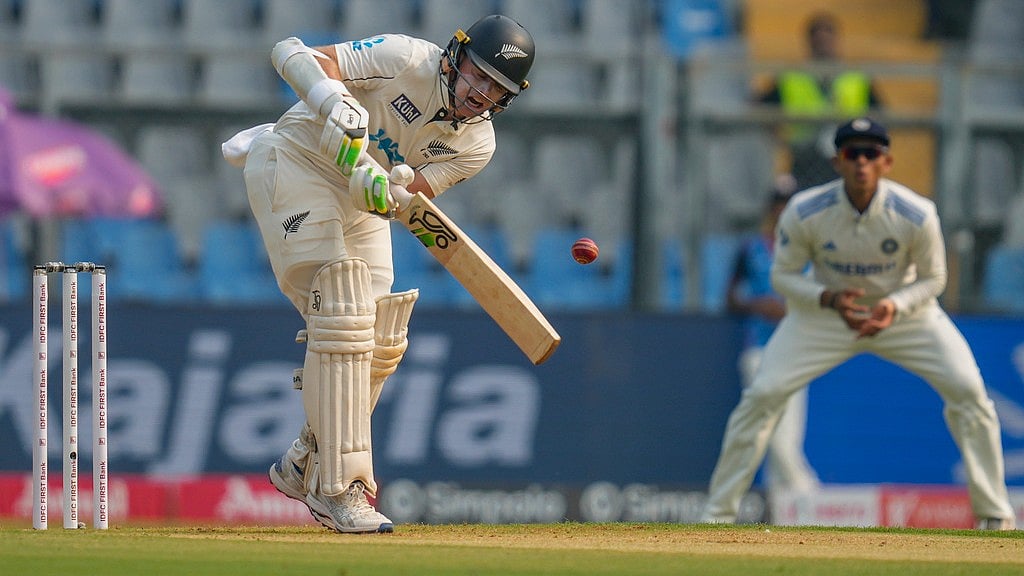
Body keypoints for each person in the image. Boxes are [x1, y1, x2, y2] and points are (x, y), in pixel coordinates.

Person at [221, 14, 535, 533]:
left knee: (381, 335)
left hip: (358, 204)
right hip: (296, 162)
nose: (480, 93)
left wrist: (388, 192)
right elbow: (291, 52)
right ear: (456, 57)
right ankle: (341, 489)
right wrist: (334, 103)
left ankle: (307, 457)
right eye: (477, 75)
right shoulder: (404, 56)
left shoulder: (477, 144)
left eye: (495, 89)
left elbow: (410, 199)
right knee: (341, 309)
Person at [701, 117, 1017, 530]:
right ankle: (717, 515)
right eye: (853, 153)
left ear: (887, 162)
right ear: (838, 161)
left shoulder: (916, 213)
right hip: (825, 317)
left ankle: (994, 514)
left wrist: (895, 305)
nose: (862, 162)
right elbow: (784, 276)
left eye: (872, 153)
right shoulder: (807, 210)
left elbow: (934, 279)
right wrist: (827, 298)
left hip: (906, 319)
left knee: (968, 391)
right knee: (762, 395)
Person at [725, 179, 819, 496]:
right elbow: (731, 298)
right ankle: (809, 493)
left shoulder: (810, 251)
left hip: (796, 349)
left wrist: (792, 311)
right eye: (778, 205)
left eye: (788, 205)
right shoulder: (750, 248)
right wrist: (756, 305)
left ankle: (784, 515)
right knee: (768, 426)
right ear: (770, 209)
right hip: (759, 348)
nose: (782, 211)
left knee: (788, 434)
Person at [757, 12, 884, 191]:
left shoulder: (856, 78)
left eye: (827, 41)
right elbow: (760, 110)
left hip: (847, 159)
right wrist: (780, 139)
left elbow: (882, 116)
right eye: (818, 41)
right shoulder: (792, 78)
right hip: (805, 159)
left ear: (837, 42)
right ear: (809, 43)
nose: (823, 47)